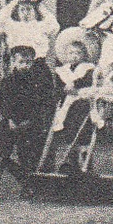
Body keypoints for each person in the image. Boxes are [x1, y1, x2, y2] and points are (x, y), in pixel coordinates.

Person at [0, 44, 57, 198]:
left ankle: (27, 187)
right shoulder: (8, 81)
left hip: (29, 123)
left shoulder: (36, 83)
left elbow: (40, 104)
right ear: (13, 63)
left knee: (27, 155)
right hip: (9, 122)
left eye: (28, 62)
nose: (24, 66)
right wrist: (9, 119)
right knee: (2, 152)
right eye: (21, 62)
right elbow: (2, 103)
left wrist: (30, 120)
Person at [44, 35, 100, 174]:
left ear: (84, 55)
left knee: (83, 133)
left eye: (78, 53)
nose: (74, 56)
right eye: (71, 53)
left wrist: (74, 85)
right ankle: (70, 161)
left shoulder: (88, 68)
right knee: (68, 132)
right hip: (67, 106)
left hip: (82, 104)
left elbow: (87, 82)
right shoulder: (62, 71)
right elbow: (58, 87)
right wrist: (64, 90)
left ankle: (86, 164)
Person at [0, 0, 59, 67]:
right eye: (22, 10)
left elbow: (55, 26)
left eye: (29, 9)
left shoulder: (41, 26)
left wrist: (38, 4)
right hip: (18, 66)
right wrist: (15, 1)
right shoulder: (13, 26)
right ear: (18, 12)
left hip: (38, 66)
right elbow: (0, 22)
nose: (26, 13)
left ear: (35, 11)